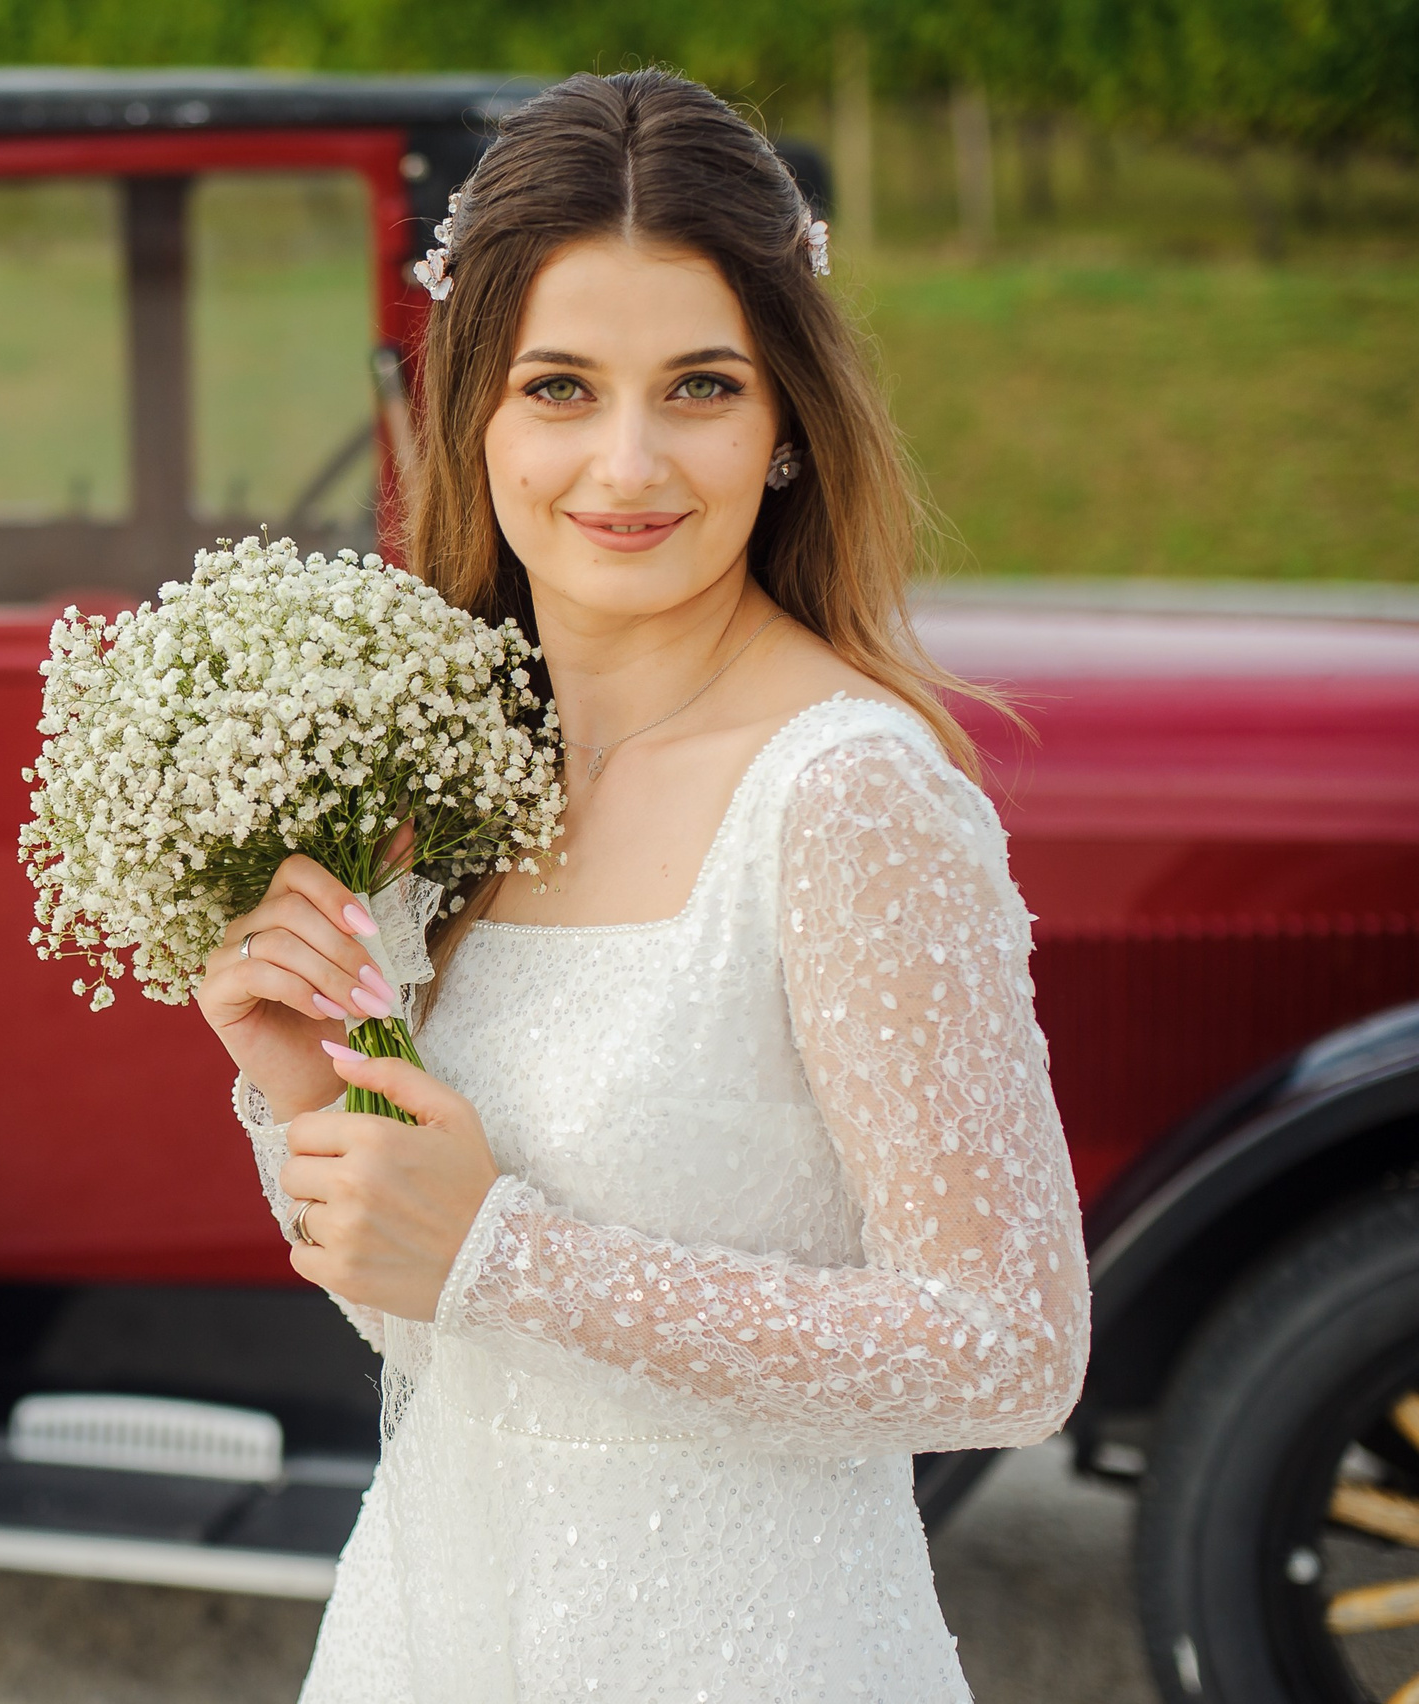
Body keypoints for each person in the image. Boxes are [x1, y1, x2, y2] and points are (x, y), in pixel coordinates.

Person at [197, 71, 1091, 1703]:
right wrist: (306, 1086)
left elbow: (1011, 1344)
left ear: (788, 424)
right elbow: (435, 1336)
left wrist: (507, 1248)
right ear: (472, 412)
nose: (625, 461)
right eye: (559, 386)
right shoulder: (455, 777)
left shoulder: (844, 795)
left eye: (697, 385)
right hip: (437, 1626)